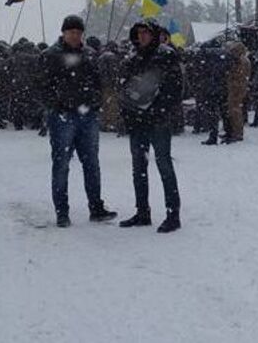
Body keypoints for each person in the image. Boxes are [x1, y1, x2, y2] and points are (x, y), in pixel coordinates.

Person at [40, 15, 116, 228]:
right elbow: (42, 86)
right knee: (61, 165)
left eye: (78, 32)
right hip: (62, 117)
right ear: (64, 33)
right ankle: (62, 212)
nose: (75, 36)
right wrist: (57, 106)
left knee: (91, 163)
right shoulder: (51, 55)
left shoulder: (90, 55)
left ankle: (96, 207)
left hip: (87, 117)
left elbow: (98, 83)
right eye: (71, 32)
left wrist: (93, 104)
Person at [118, 21, 183, 233]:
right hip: (137, 121)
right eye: (139, 33)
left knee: (164, 165)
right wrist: (129, 110)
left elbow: (175, 89)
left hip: (158, 121)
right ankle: (142, 212)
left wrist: (159, 110)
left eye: (146, 33)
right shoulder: (132, 58)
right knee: (139, 168)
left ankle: (173, 214)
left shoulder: (165, 56)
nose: (142, 36)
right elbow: (124, 87)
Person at [224, 40, 251, 143]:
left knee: (235, 110)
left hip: (237, 88)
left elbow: (237, 74)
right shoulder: (245, 60)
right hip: (239, 87)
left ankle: (237, 132)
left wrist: (230, 75)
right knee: (235, 109)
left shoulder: (241, 61)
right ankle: (235, 131)